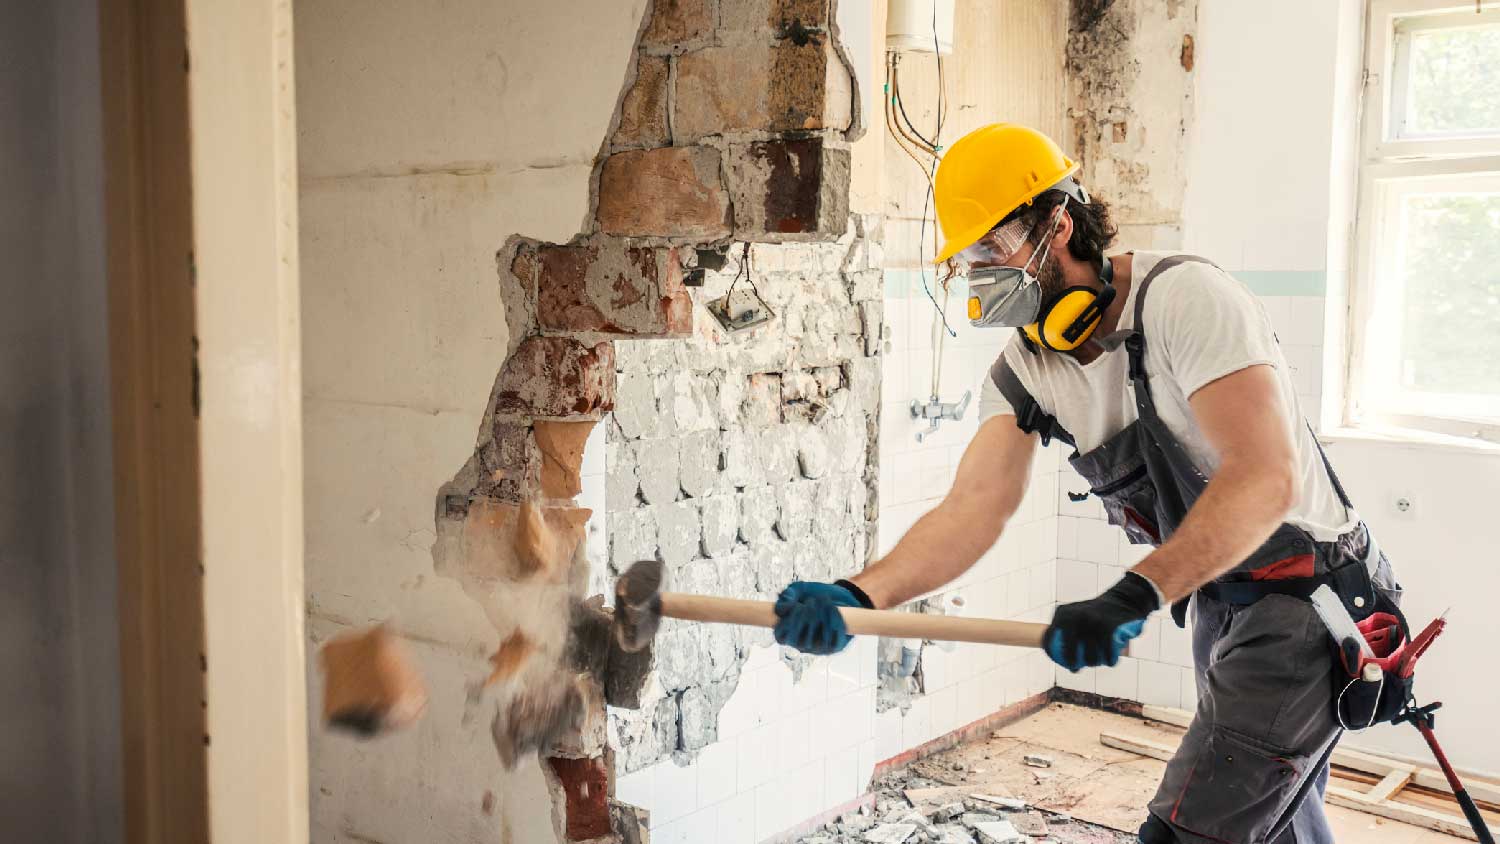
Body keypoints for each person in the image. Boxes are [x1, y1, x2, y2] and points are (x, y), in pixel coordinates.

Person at [772, 124, 1403, 843]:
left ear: (1058, 225)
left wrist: (1134, 594)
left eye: (991, 248)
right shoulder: (1028, 368)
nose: (978, 272)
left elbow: (1265, 479)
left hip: (1306, 604)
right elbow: (974, 507)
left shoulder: (1184, 299)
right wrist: (861, 596)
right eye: (967, 259)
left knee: (1192, 830)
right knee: (1274, 819)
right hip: (1221, 605)